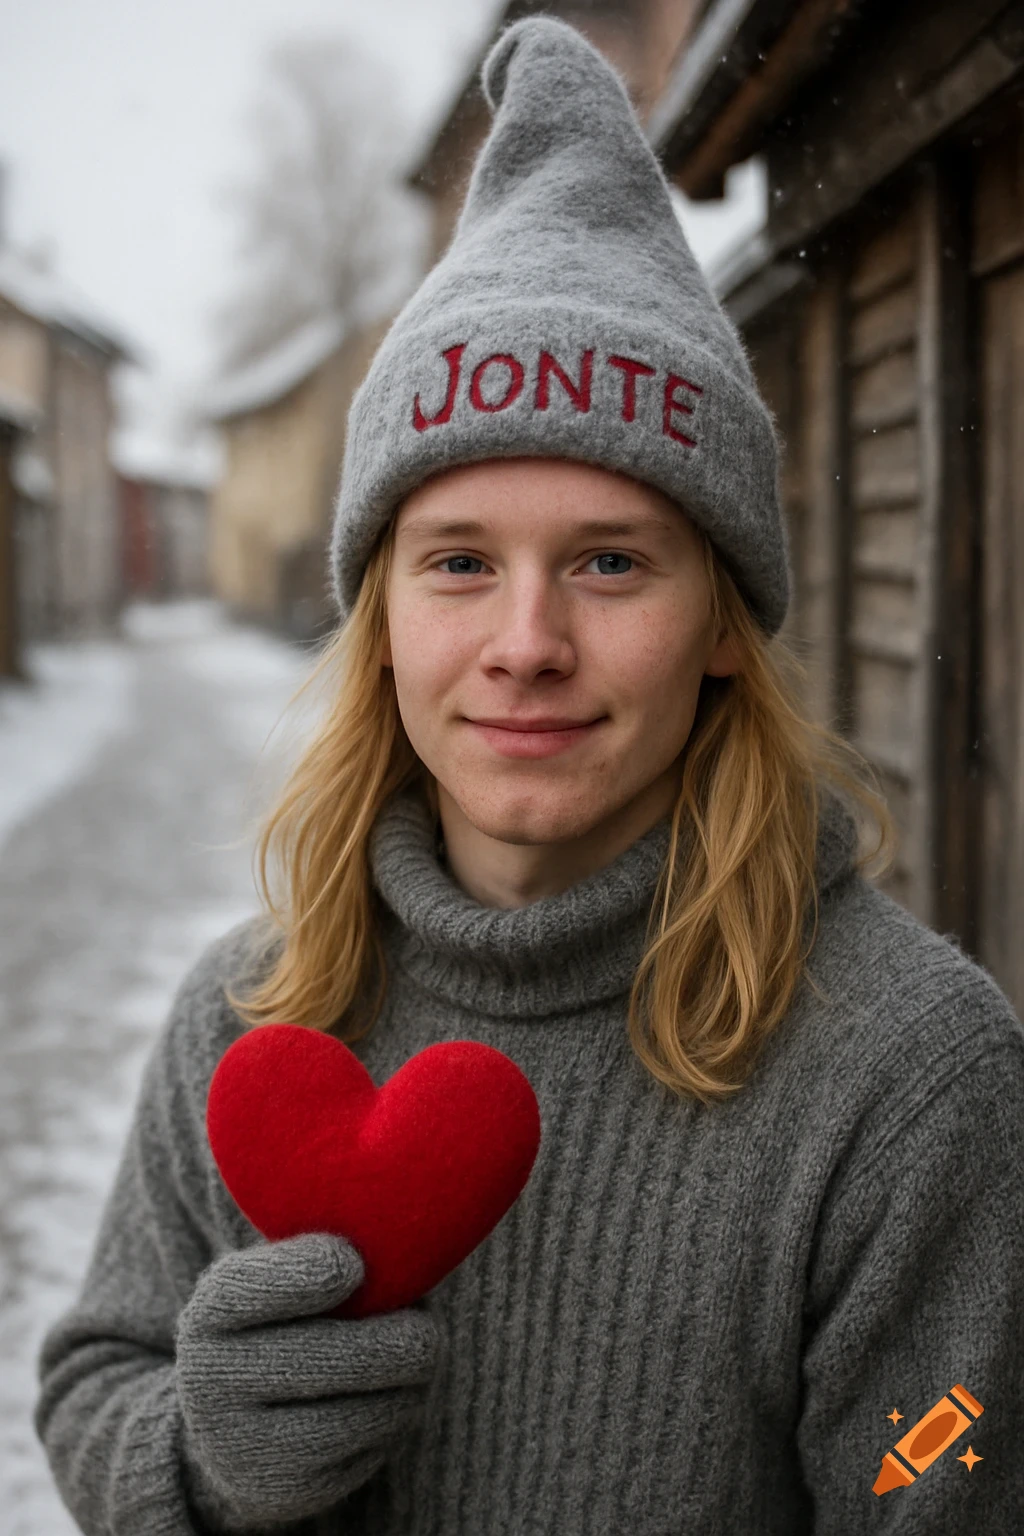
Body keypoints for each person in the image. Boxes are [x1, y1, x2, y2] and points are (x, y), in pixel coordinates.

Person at [35, 17, 1024, 1535]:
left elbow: (933, 1475)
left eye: (611, 562)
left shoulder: (908, 1084)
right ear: (379, 624)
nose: (526, 643)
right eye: (458, 563)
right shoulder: (256, 1016)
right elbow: (101, 1374)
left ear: (719, 622)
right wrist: (204, 1455)